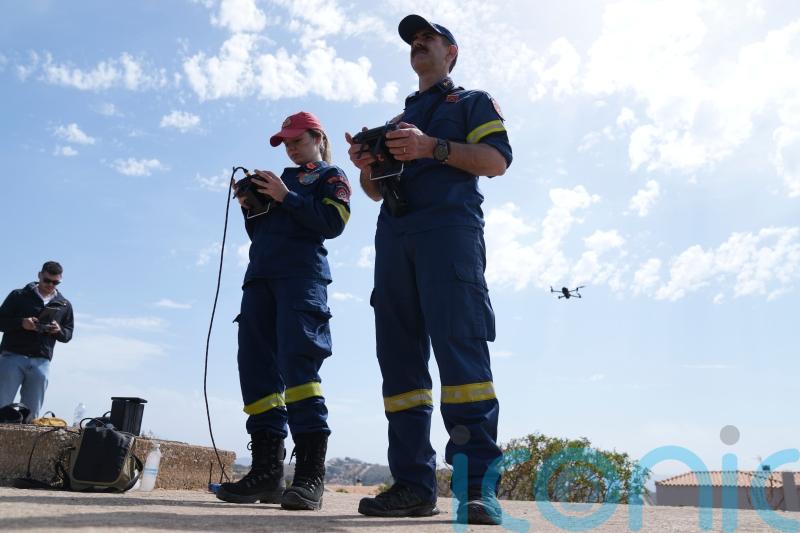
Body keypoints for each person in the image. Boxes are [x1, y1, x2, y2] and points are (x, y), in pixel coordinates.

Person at [345, 14, 512, 526]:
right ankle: (414, 487)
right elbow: (374, 193)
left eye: (428, 38)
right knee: (401, 370)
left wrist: (431, 147)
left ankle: (477, 491)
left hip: (449, 238)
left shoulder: (471, 102)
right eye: (413, 41)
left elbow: (497, 159)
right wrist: (366, 165)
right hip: (394, 242)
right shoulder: (397, 122)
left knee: (462, 363)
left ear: (451, 52)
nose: (417, 44)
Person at [216, 111, 351, 511]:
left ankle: (309, 476)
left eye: (296, 140)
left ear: (317, 137)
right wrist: (250, 203)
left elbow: (333, 221)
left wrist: (285, 197)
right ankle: (266, 473)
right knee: (256, 371)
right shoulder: (278, 179)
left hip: (301, 279)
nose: (290, 148)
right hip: (260, 280)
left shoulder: (331, 176)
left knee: (299, 370)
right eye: (285, 143)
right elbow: (262, 232)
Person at [0, 261, 74, 420]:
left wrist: (58, 330)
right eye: (47, 280)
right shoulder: (18, 296)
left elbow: (68, 334)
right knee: (2, 405)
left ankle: (25, 444)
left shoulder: (65, 305)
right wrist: (22, 323)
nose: (50, 285)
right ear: (39, 275)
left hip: (42, 362)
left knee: (32, 413)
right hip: (12, 357)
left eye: (55, 282)